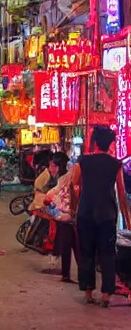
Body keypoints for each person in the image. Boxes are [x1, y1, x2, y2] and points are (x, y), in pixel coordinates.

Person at [53, 126, 131, 306]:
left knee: (87, 253)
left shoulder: (83, 162)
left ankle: (88, 292)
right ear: (110, 144)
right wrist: (127, 219)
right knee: (108, 254)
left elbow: (73, 185)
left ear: (95, 143)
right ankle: (106, 295)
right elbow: (120, 192)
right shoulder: (115, 164)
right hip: (107, 215)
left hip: (86, 213)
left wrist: (74, 208)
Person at [43, 151, 79, 283]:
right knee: (67, 244)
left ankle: (80, 278)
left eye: (53, 166)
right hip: (64, 216)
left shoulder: (68, 177)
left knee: (74, 245)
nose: (50, 169)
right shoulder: (63, 178)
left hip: (70, 216)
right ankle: (67, 274)